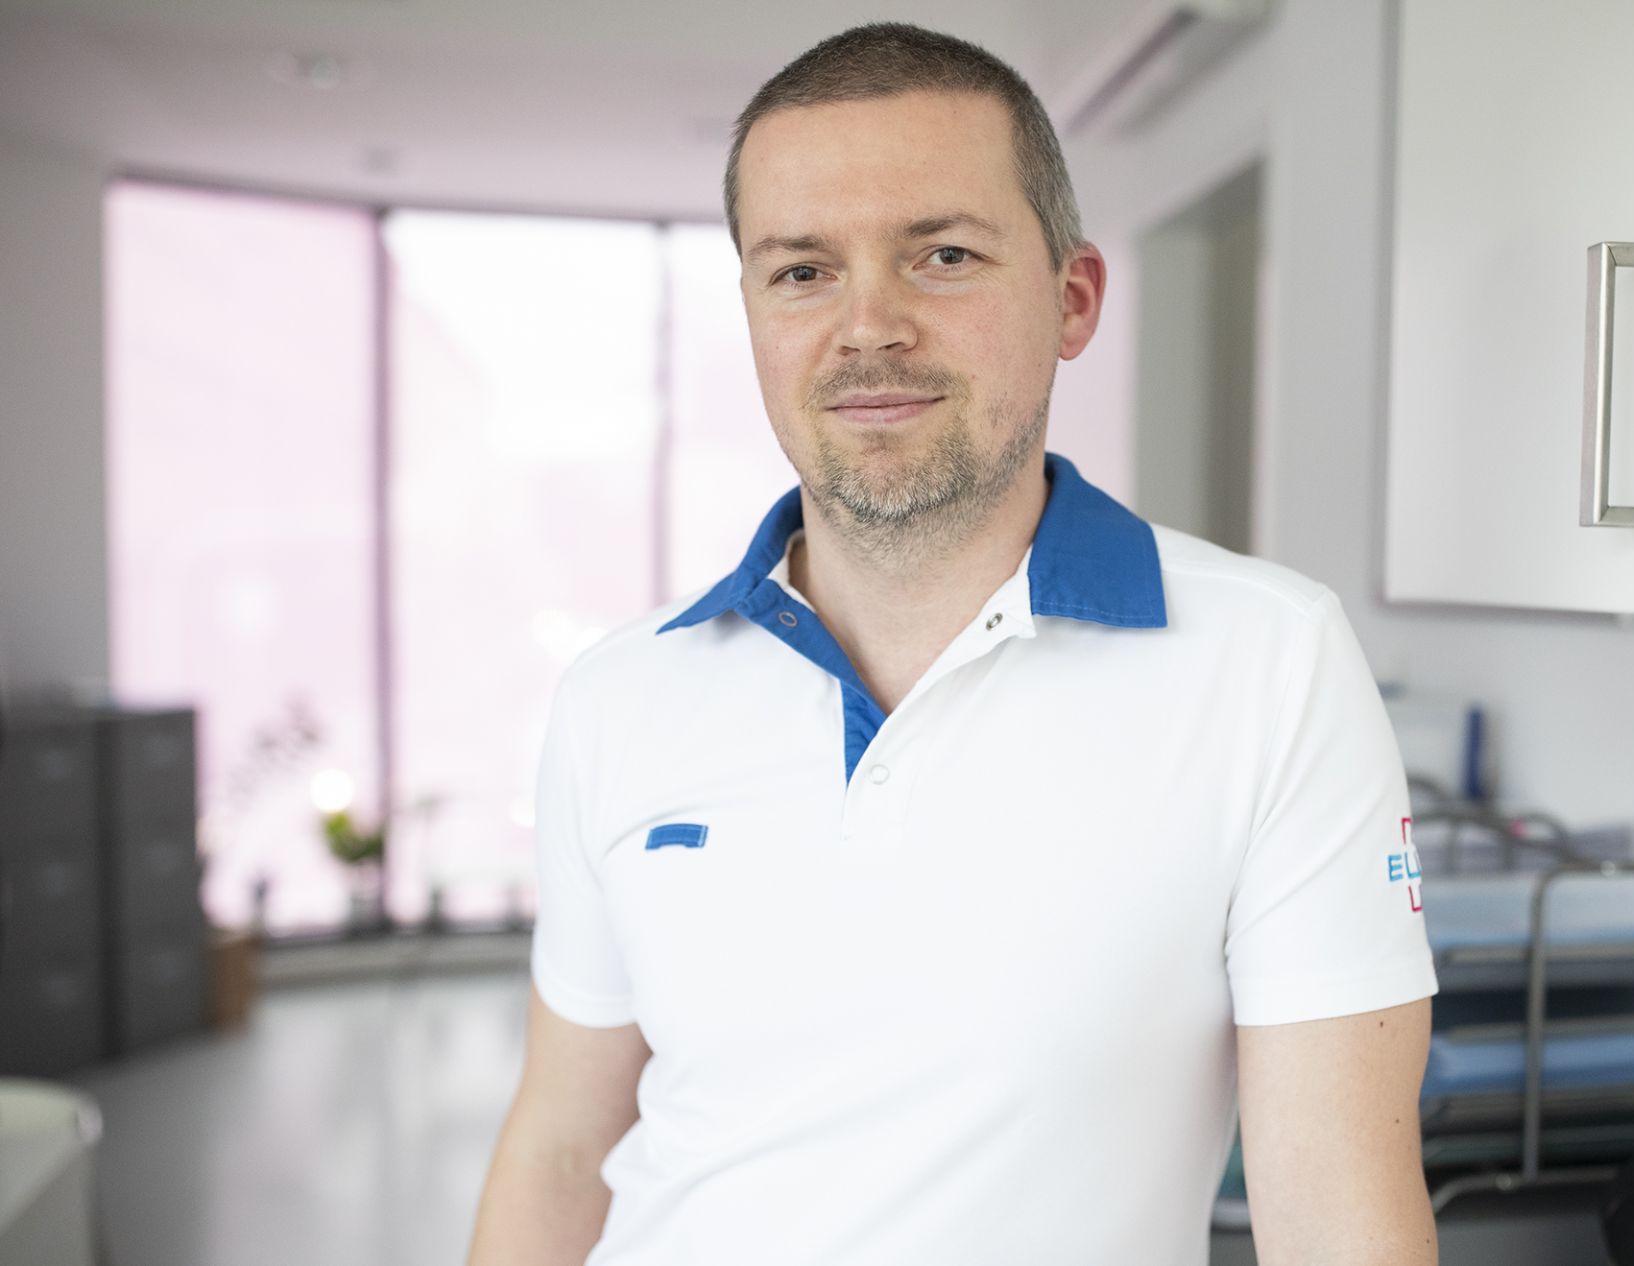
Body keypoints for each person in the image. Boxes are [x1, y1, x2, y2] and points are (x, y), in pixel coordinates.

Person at [469, 21, 1437, 1266]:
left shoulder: (1272, 663)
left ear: (1072, 299)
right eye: (803, 271)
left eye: (942, 255)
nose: (868, 327)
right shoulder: (620, 694)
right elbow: (560, 1147)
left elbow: (1337, 1215)